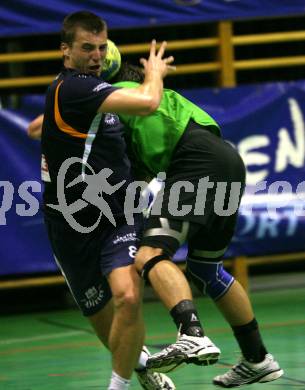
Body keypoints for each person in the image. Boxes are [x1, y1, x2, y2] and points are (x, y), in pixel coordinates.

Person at [111, 63, 283, 387]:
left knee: (149, 254)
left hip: (195, 163)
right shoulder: (162, 103)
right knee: (207, 269)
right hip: (227, 161)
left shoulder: (128, 99)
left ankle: (192, 333)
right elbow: (142, 176)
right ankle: (258, 359)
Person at [39, 10, 176, 390]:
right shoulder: (75, 88)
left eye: (101, 47)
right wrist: (154, 72)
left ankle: (118, 386)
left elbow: (39, 127)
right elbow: (149, 102)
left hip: (117, 214)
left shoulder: (91, 98)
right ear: (65, 51)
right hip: (69, 225)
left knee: (128, 297)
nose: (96, 55)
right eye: (87, 48)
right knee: (105, 323)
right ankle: (142, 366)